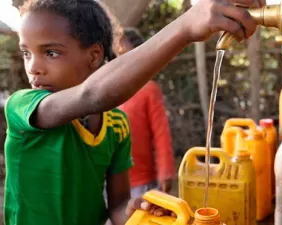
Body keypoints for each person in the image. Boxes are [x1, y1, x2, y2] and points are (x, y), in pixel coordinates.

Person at [4, 0, 265, 224]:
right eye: (26, 53)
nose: (33, 67)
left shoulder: (116, 125)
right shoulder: (23, 107)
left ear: (94, 56)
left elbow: (117, 207)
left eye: (50, 52)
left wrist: (138, 212)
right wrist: (186, 26)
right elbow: (92, 95)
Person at [118, 28, 175, 198]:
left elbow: (161, 133)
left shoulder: (149, 90)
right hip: (108, 181)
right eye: (115, 55)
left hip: (141, 182)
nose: (118, 60)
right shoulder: (105, 92)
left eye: (123, 53)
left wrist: (165, 170)